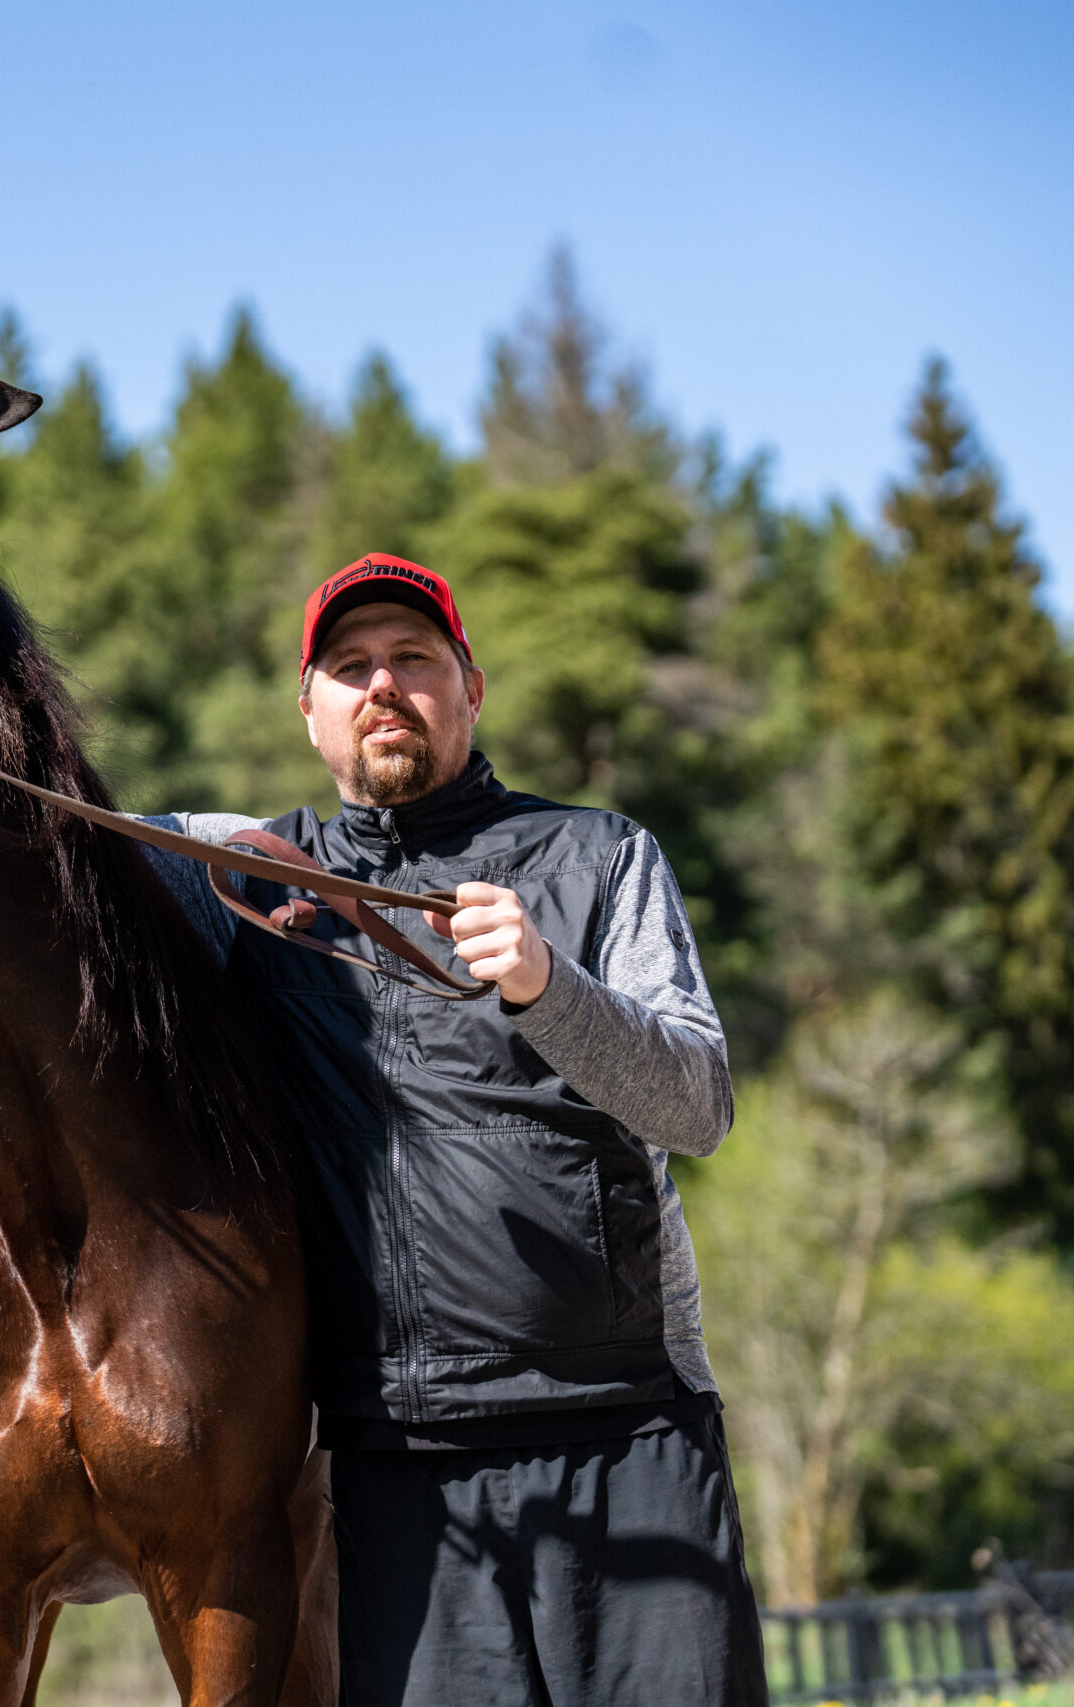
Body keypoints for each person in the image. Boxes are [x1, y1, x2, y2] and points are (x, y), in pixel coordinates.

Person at [143, 553, 770, 1706]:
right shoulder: (240, 880)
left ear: (470, 691)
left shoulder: (601, 855)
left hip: (627, 1431)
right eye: (349, 667)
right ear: (310, 712)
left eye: (412, 659)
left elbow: (698, 1106)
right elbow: (28, 833)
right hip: (397, 1475)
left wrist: (548, 984)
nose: (382, 684)